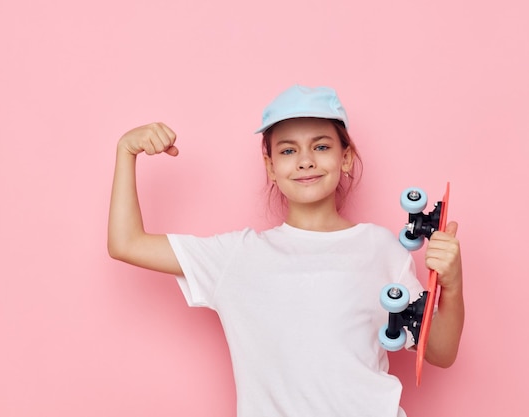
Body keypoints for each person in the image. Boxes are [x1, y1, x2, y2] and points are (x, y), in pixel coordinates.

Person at [108, 85, 464, 417]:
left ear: (346, 157)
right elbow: (127, 243)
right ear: (271, 168)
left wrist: (452, 280)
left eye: (321, 146)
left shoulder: (381, 247)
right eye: (288, 150)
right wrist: (126, 151)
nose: (305, 161)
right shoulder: (237, 257)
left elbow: (441, 353)